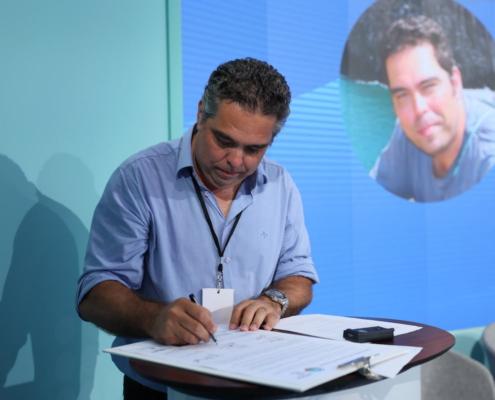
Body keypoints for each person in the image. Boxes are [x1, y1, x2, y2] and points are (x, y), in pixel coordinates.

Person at [76, 58, 318, 398]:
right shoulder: (139, 178)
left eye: (254, 149)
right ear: (202, 112)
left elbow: (298, 276)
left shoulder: (280, 184)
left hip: (258, 381)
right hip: (162, 387)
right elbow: (96, 293)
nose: (236, 161)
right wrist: (153, 318)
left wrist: (274, 300)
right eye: (224, 141)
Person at [370, 16, 495, 202]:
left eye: (428, 87)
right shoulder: (407, 133)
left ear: (455, 82)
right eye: (402, 95)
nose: (419, 109)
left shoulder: (487, 155)